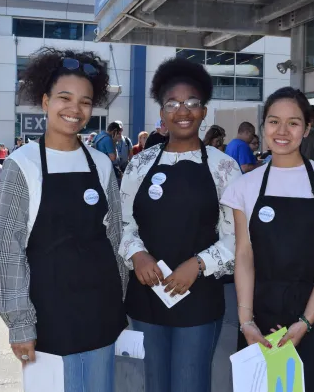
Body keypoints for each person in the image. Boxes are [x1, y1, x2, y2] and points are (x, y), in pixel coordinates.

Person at [0, 48, 128, 392]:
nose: (75, 109)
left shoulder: (100, 163)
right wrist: (20, 323)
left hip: (101, 310)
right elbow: (8, 250)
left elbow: (115, 236)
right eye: (64, 98)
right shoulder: (22, 164)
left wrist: (121, 300)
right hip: (48, 316)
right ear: (44, 101)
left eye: (85, 102)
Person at [222, 87, 314, 392]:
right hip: (258, 310)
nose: (282, 131)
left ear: (307, 128)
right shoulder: (245, 187)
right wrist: (246, 321)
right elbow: (244, 255)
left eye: (293, 123)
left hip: (312, 310)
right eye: (274, 122)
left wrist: (306, 322)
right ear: (263, 126)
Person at [120, 57, 242, 392]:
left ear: (204, 111)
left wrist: (198, 264)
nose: (182, 110)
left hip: (199, 297)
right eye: (172, 103)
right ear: (161, 112)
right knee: (154, 384)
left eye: (191, 103)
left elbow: (236, 239)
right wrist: (137, 255)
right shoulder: (139, 164)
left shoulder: (224, 167)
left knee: (191, 383)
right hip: (146, 295)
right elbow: (121, 223)